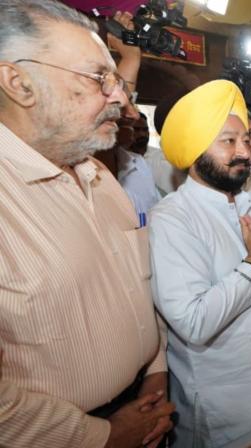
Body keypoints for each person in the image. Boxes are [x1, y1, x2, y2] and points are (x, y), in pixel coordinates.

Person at [0, 1, 174, 447]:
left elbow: (138, 289)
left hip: (146, 406)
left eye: (115, 79)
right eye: (99, 78)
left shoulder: (98, 176)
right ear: (18, 83)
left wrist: (155, 374)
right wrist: (103, 435)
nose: (120, 97)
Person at [149, 80, 251, 447]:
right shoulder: (173, 217)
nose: (244, 154)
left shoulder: (249, 199)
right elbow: (194, 322)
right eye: (228, 142)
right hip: (230, 399)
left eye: (247, 140)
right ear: (194, 149)